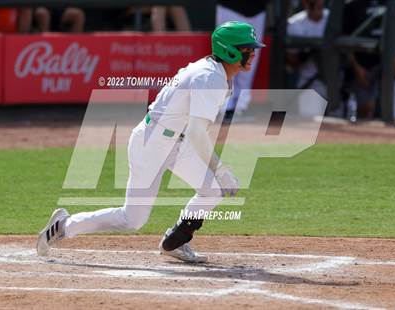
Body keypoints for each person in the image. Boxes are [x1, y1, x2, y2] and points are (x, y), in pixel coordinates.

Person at [36, 21, 265, 263]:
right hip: (152, 143)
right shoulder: (210, 78)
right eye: (247, 49)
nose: (252, 54)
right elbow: (199, 132)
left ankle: (175, 241)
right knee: (132, 219)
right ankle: (64, 225)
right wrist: (219, 168)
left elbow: (195, 131)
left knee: (212, 190)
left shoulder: (215, 73)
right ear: (229, 50)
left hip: (177, 142)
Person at [216, 1, 267, 120]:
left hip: (257, 9)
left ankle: (239, 108)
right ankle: (225, 107)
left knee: (250, 58)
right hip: (231, 7)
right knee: (228, 56)